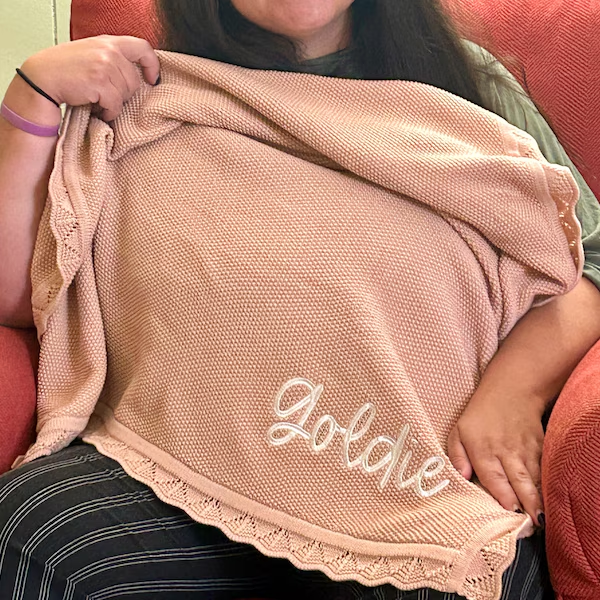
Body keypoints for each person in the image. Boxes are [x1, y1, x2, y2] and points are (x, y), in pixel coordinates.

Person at [0, 0, 599, 598]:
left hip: (421, 485)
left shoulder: (471, 81)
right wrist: (32, 99)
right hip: (172, 471)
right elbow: (27, 295)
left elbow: (587, 263)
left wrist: (513, 395)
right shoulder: (143, 96)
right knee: (28, 535)